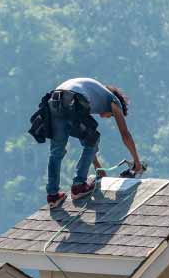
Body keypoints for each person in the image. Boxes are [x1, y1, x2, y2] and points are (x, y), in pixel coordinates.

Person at [37, 77, 143, 207]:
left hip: (54, 100)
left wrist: (98, 167)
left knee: (56, 152)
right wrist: (137, 163)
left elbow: (85, 137)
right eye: (111, 116)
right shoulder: (113, 100)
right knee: (93, 139)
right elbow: (125, 135)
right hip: (73, 99)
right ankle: (78, 186)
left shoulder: (94, 93)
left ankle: (52, 196)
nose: (107, 117)